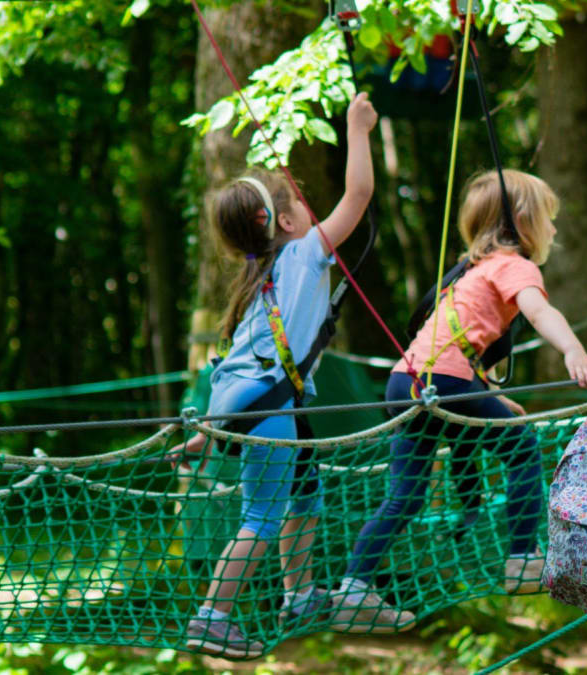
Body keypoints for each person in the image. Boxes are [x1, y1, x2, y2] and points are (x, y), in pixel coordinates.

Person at [331, 169, 587, 633]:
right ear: (521, 220)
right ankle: (521, 558)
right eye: (549, 219)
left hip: (407, 382)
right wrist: (572, 348)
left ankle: (354, 589)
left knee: (405, 496)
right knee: (521, 446)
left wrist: (490, 393)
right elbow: (539, 311)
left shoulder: (471, 271)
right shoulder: (515, 265)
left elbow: (457, 336)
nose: (553, 230)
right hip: (444, 380)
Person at [177, 93, 378, 659]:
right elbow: (358, 195)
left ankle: (302, 594)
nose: (313, 213)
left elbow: (238, 370)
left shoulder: (258, 278)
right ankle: (212, 616)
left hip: (251, 401)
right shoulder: (302, 254)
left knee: (305, 494)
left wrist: (207, 432)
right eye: (301, 205)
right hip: (268, 404)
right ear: (283, 221)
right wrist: (356, 128)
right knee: (262, 516)